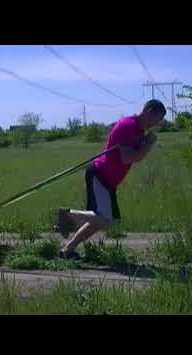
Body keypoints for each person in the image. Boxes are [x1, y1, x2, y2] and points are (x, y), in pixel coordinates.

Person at [57, 99, 167, 259]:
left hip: (108, 179)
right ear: (149, 112)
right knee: (107, 221)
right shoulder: (129, 127)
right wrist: (148, 144)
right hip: (101, 175)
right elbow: (128, 158)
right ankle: (68, 215)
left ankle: (67, 250)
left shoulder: (137, 129)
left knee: (101, 221)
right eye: (157, 120)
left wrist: (144, 141)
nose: (156, 125)